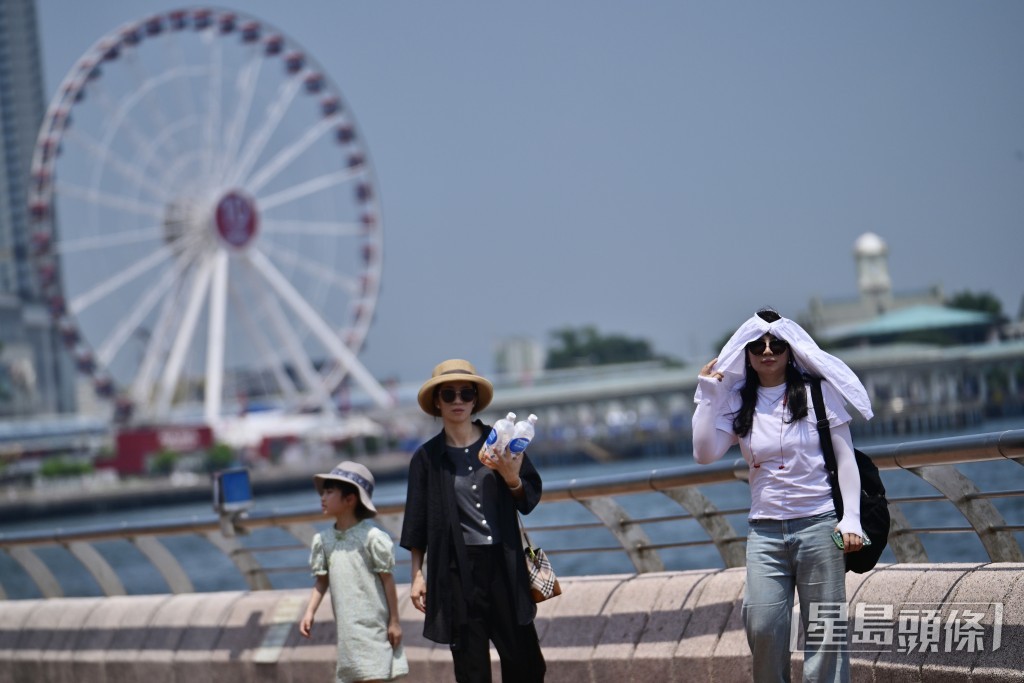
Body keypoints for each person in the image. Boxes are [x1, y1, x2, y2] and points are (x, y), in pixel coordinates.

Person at [691, 308, 874, 683]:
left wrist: (851, 518)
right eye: (758, 345)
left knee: (826, 636)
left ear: (791, 350)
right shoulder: (738, 402)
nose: (767, 351)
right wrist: (708, 394)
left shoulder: (817, 394)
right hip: (765, 532)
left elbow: (846, 457)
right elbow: (704, 453)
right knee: (762, 625)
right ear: (747, 353)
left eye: (776, 344)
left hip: (820, 525)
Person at [400, 359, 546, 682]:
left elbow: (529, 497)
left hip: (505, 566)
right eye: (448, 394)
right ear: (437, 402)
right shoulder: (425, 459)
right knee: (471, 671)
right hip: (456, 573)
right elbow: (416, 522)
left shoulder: (503, 442)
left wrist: (511, 478)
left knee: (527, 665)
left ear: (475, 400)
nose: (458, 401)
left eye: (466, 393)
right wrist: (416, 576)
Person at [300, 461, 409, 683]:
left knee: (374, 674)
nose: (323, 497)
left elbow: (387, 580)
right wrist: (309, 611)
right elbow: (322, 581)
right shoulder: (324, 540)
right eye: (323, 492)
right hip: (348, 631)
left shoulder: (372, 538)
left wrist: (394, 622)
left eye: (329, 492)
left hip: (374, 626)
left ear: (350, 500)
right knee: (355, 674)